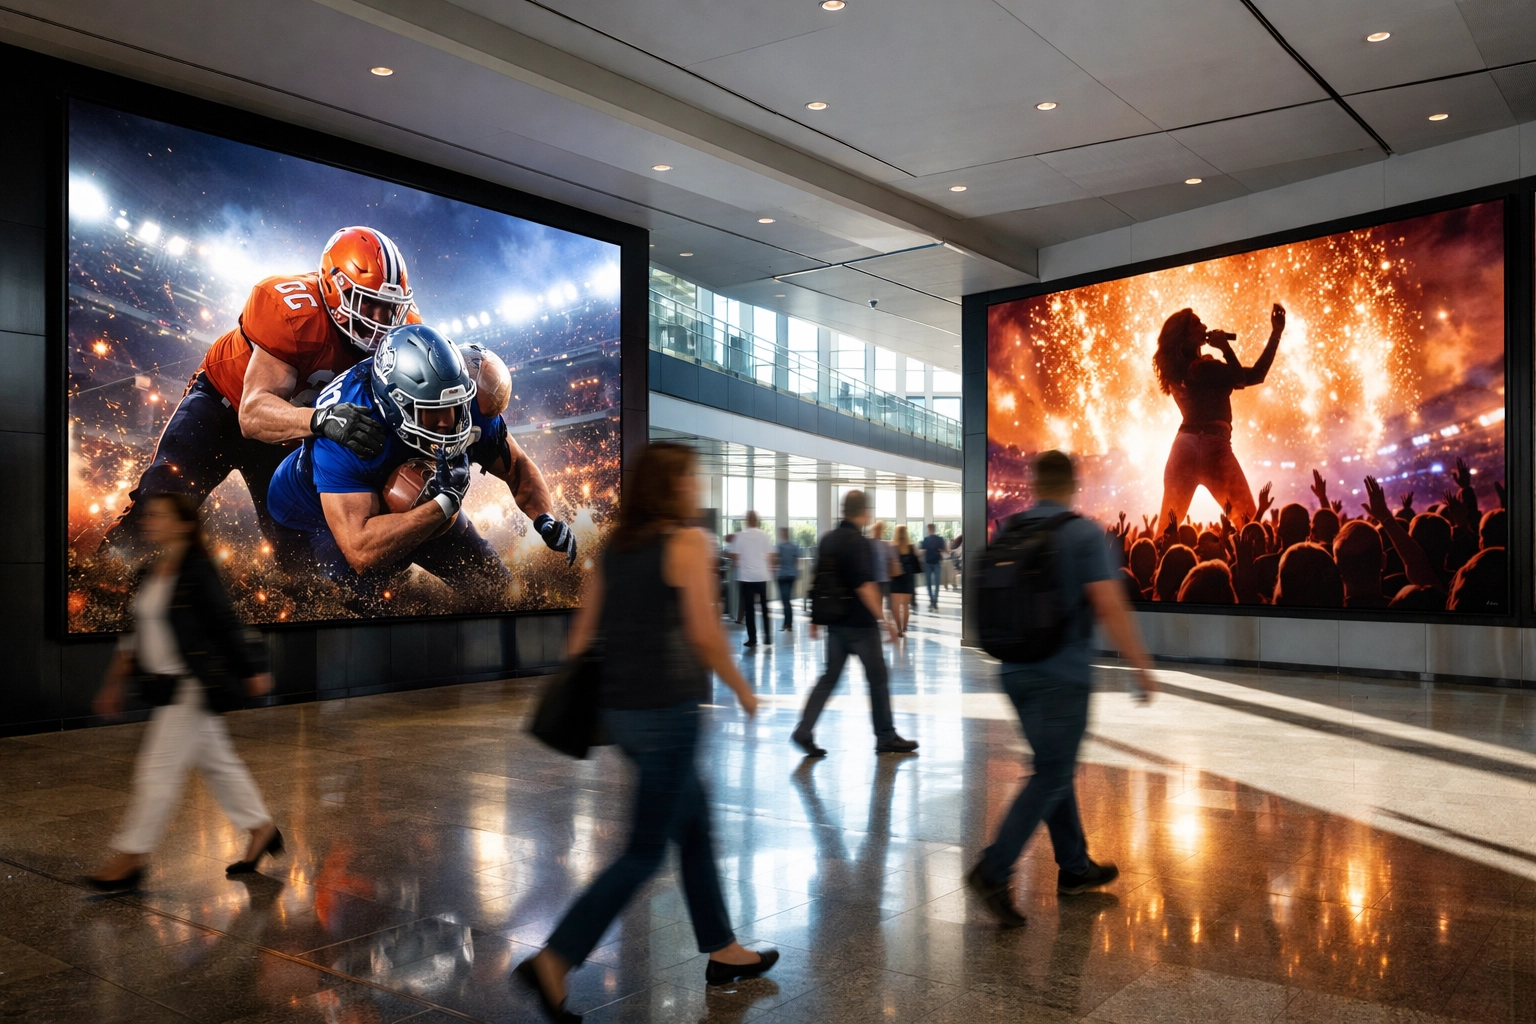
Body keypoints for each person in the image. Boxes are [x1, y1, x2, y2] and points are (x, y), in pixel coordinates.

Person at [515, 442, 776, 1021]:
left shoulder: (616, 551)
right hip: (669, 714)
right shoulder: (687, 543)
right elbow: (707, 636)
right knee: (643, 851)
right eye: (688, 478)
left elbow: (581, 640)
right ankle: (557, 959)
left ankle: (724, 949)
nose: (696, 487)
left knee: (697, 826)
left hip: (624, 717)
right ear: (671, 486)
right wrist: (743, 688)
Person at [102, 227, 423, 561]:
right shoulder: (294, 311)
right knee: (159, 508)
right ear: (332, 287)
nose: (380, 320)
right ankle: (103, 578)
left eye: (388, 307)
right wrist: (322, 418)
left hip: (291, 436)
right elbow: (252, 414)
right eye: (368, 303)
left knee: (300, 544)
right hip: (221, 408)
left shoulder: (403, 331)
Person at [966, 451, 1159, 929]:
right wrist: (1140, 665)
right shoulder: (1084, 534)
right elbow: (1110, 605)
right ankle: (994, 869)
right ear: (1072, 485)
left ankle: (1074, 868)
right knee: (1052, 772)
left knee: (1054, 767)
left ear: (1034, 485)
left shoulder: (1009, 531)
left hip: (1014, 672)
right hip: (1063, 675)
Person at [266, 326, 576, 612]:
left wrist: (544, 517)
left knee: (498, 589)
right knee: (366, 614)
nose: (448, 423)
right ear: (395, 404)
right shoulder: (348, 430)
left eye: (454, 408)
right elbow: (360, 550)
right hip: (312, 516)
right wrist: (443, 504)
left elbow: (517, 467)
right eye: (432, 412)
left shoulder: (461, 399)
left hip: (421, 496)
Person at [85, 493, 280, 891]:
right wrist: (113, 684)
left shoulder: (197, 571)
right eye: (151, 514)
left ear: (184, 524)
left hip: (191, 686)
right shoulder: (149, 572)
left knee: (156, 771)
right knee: (218, 764)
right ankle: (262, 829)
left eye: (160, 514)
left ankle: (132, 856)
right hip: (166, 686)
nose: (150, 519)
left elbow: (226, 623)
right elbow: (134, 635)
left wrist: (254, 669)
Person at [791, 491, 918, 758]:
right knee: (878, 679)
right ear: (863, 512)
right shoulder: (858, 542)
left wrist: (816, 619)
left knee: (829, 678)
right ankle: (885, 737)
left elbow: (819, 579)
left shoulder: (828, 539)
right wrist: (885, 621)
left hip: (835, 623)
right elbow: (864, 585)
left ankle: (804, 730)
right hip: (860, 625)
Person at [1153, 304, 1284, 523]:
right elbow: (1249, 377)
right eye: (1196, 324)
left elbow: (1247, 376)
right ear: (1184, 336)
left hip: (1183, 447)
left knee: (1167, 530)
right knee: (1248, 522)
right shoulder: (1202, 368)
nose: (1204, 325)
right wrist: (1273, 335)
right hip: (1213, 445)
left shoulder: (1181, 370)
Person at [728, 511, 774, 648]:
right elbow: (771, 555)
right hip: (762, 576)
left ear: (747, 521)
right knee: (765, 607)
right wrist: (770, 568)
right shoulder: (764, 535)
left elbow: (734, 556)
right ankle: (767, 637)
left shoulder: (741, 536)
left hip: (746, 577)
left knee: (750, 609)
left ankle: (752, 639)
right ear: (757, 521)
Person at [890, 525, 919, 638]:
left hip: (896, 578)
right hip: (908, 579)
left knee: (896, 606)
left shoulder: (893, 547)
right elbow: (917, 566)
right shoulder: (911, 547)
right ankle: (905, 626)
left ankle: (899, 629)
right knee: (906, 606)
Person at [773, 528, 799, 632]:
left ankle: (787, 624)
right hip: (791, 575)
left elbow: (775, 561)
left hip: (782, 576)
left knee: (785, 601)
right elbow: (796, 561)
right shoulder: (794, 547)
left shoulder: (779, 547)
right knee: (787, 600)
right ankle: (788, 624)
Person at [870, 520, 892, 633]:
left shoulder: (884, 544)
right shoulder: (870, 543)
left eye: (880, 529)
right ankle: (878, 622)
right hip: (875, 578)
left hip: (884, 578)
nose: (878, 532)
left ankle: (883, 622)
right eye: (877, 529)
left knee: (885, 602)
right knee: (877, 602)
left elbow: (890, 560)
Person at [920, 523, 948, 611]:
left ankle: (931, 601)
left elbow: (923, 551)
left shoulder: (925, 539)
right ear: (934, 529)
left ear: (928, 529)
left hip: (928, 562)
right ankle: (935, 602)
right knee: (937, 583)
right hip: (937, 562)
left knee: (928, 583)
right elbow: (943, 550)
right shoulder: (940, 539)